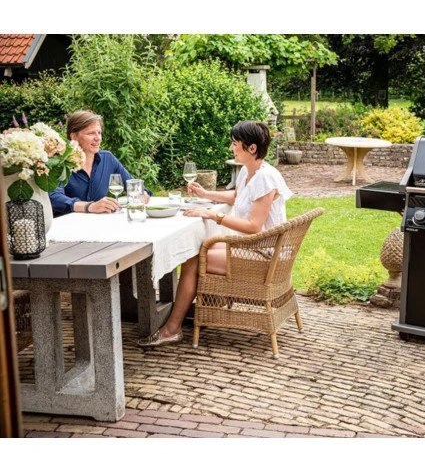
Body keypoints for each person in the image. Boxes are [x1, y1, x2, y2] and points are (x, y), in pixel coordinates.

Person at [137, 120, 293, 348]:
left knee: (193, 260)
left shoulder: (265, 178)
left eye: (235, 143)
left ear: (251, 148)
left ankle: (172, 329)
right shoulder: (250, 171)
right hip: (254, 246)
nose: (231, 148)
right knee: (201, 247)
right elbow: (237, 197)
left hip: (265, 255)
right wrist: (205, 194)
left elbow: (253, 226)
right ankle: (209, 306)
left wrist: (213, 216)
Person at [50, 110, 151, 216]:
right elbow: (54, 198)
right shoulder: (59, 163)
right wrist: (89, 206)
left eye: (99, 133)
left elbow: (133, 186)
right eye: (91, 133)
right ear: (74, 137)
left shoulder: (108, 159)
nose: (98, 138)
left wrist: (142, 193)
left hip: (98, 223)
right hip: (65, 224)